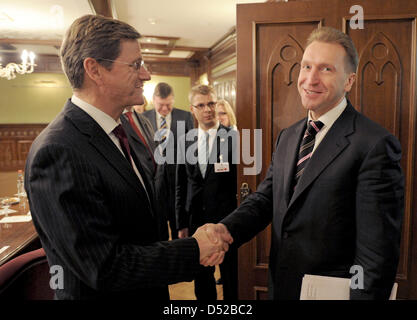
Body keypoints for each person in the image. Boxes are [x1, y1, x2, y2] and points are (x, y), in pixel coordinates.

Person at [24, 14, 228, 300]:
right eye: (135, 65)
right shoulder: (58, 152)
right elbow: (104, 267)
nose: (145, 74)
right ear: (94, 69)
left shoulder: (125, 132)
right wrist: (193, 249)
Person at [207, 26, 404, 300]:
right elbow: (265, 199)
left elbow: (376, 254)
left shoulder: (374, 144)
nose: (310, 79)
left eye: (326, 69)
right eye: (306, 66)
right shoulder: (288, 136)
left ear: (349, 81)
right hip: (283, 286)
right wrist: (226, 229)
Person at [176, 85, 238, 300]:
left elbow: (240, 184)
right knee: (202, 276)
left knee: (231, 276)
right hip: (196, 219)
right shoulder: (186, 141)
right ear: (192, 109)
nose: (207, 109)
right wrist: (181, 223)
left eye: (211, 103)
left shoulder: (233, 138)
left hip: (227, 218)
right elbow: (180, 185)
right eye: (201, 105)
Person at [143, 82, 194, 240]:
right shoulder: (144, 118)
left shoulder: (185, 116)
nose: (165, 109)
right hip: (154, 181)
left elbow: (190, 147)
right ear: (153, 100)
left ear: (173, 100)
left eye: (168, 105)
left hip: (178, 179)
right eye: (161, 105)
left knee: (178, 224)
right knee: (158, 227)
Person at [121, 105, 169, 240]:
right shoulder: (114, 123)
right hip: (138, 217)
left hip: (159, 213)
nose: (143, 82)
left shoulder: (144, 120)